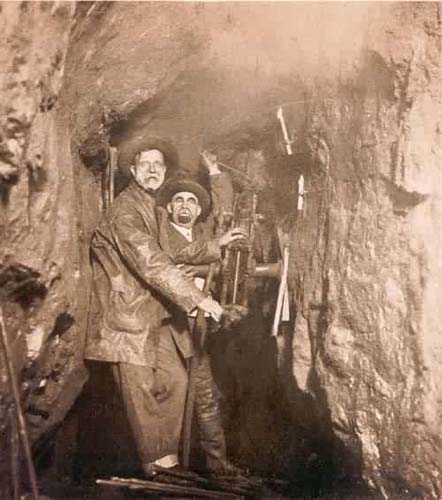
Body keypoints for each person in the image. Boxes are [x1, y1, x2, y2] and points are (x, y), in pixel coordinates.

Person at [84, 146, 225, 476]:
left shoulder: (153, 208)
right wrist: (196, 297)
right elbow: (151, 260)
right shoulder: (125, 211)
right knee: (142, 394)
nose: (151, 170)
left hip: (151, 317)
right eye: (144, 164)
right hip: (124, 320)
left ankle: (165, 460)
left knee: (176, 381)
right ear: (132, 171)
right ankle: (158, 466)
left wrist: (215, 247)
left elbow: (175, 248)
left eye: (157, 165)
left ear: (163, 171)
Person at [156, 151, 246, 473]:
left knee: (206, 397)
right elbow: (170, 261)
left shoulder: (205, 233)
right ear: (169, 207)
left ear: (197, 210)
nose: (184, 206)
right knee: (169, 396)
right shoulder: (160, 234)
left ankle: (218, 464)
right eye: (178, 200)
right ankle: (165, 465)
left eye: (191, 202)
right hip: (167, 329)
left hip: (198, 329)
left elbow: (223, 213)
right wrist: (212, 249)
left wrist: (216, 173)